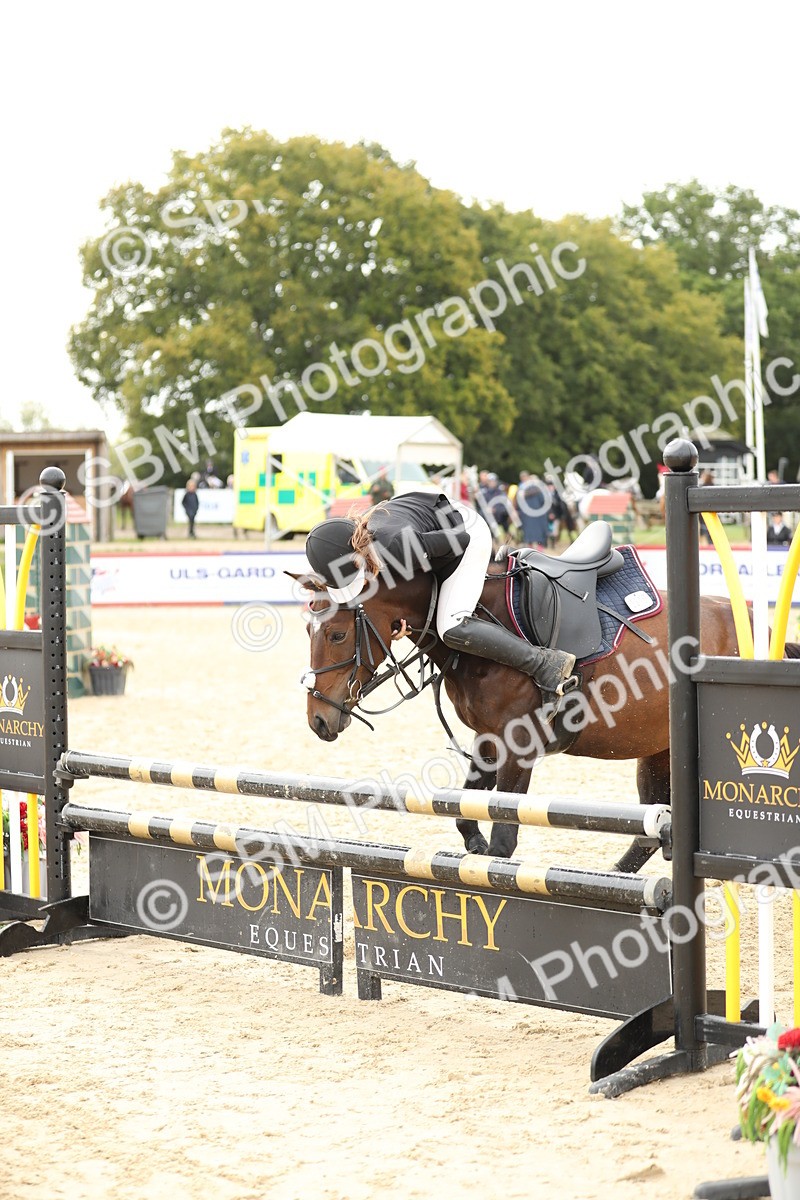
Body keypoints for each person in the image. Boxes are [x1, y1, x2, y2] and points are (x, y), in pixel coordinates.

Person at [304, 492, 577, 697]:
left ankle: (545, 664)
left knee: (452, 625)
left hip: (464, 532)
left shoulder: (397, 546)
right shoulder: (361, 544)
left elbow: (458, 544)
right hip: (428, 527)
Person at [515, 473, 550, 548]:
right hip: (538, 515)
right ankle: (540, 550)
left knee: (529, 536)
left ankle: (530, 550)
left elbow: (518, 504)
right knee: (539, 536)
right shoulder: (539, 490)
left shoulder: (521, 491)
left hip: (526, 515)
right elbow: (544, 501)